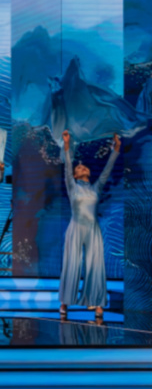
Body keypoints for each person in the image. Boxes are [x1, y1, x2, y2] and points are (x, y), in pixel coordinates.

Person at [59, 131, 121, 318]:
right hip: (76, 228)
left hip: (93, 229)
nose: (82, 168)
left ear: (89, 172)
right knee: (72, 263)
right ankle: (65, 301)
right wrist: (67, 146)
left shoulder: (96, 187)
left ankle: (97, 301)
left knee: (95, 264)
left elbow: (107, 170)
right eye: (78, 168)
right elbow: (67, 168)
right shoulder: (72, 186)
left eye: (84, 166)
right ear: (75, 175)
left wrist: (116, 150)